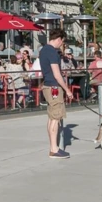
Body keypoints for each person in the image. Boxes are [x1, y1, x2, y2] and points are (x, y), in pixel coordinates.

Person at [38, 29, 73, 158]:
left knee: (51, 117)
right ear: (59, 39)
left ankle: (53, 147)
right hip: (54, 87)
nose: (61, 45)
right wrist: (67, 90)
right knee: (55, 117)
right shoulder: (52, 52)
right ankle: (54, 149)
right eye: (62, 42)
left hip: (47, 85)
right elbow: (57, 74)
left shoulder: (43, 50)